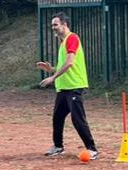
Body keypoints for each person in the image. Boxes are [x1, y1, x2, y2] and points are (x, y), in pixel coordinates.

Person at [36, 13, 98, 158]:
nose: (53, 28)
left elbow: (70, 63)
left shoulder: (72, 38)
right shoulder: (63, 42)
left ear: (64, 24)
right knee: (57, 117)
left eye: (55, 25)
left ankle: (92, 149)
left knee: (77, 118)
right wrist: (51, 69)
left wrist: (52, 77)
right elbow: (64, 65)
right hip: (63, 87)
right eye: (52, 25)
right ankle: (58, 146)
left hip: (74, 86)